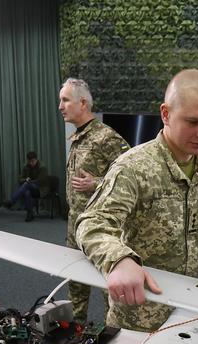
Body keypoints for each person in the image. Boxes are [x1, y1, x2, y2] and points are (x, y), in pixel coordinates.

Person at [77, 69, 198, 332]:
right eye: (193, 122)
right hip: (137, 318)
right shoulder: (133, 167)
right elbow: (91, 224)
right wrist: (119, 260)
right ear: (165, 114)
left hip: (185, 311)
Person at [59, 77, 130, 323]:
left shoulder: (106, 137)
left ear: (83, 103)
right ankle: (76, 330)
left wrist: (96, 183)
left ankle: (115, 332)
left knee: (106, 284)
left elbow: (130, 177)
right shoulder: (77, 137)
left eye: (65, 100)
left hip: (100, 229)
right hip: (75, 225)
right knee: (75, 280)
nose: (60, 106)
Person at [3, 151, 49, 221]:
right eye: (30, 161)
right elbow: (20, 179)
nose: (32, 163)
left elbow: (41, 181)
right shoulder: (26, 166)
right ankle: (30, 214)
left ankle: (12, 201)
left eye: (33, 161)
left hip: (41, 189)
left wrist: (29, 182)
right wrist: (25, 180)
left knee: (27, 185)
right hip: (30, 188)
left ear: (36, 159)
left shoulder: (42, 167)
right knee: (27, 192)